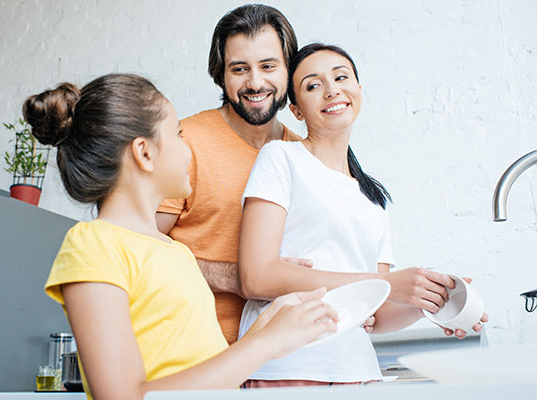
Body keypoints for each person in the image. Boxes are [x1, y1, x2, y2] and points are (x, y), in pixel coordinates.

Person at [24, 74, 339, 400]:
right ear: (144, 153)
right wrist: (265, 343)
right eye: (177, 135)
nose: (188, 150)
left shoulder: (177, 253)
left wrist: (267, 328)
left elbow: (205, 371)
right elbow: (122, 397)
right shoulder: (94, 244)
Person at [237, 43, 489, 387]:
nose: (332, 89)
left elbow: (377, 311)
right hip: (288, 368)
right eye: (313, 85)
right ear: (296, 110)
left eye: (341, 77)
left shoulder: (372, 198)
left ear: (358, 89)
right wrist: (388, 284)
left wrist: (433, 301)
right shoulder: (280, 158)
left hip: (358, 372)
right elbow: (256, 277)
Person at [155, 4, 305, 345]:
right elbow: (137, 243)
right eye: (240, 69)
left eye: (268, 66)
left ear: (288, 70)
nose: (255, 83)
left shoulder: (302, 155)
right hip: (192, 357)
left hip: (282, 360)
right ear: (221, 74)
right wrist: (232, 276)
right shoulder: (183, 142)